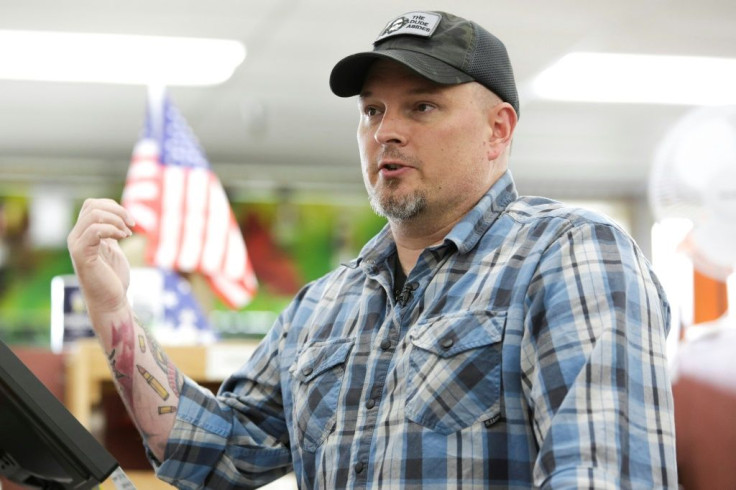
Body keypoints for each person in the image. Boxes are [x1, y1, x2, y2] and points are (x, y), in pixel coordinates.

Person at [67, 10, 677, 489]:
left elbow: (602, 473)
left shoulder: (572, 257)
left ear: (499, 130)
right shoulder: (323, 306)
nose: (386, 129)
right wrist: (114, 314)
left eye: (423, 106)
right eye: (373, 110)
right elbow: (212, 453)